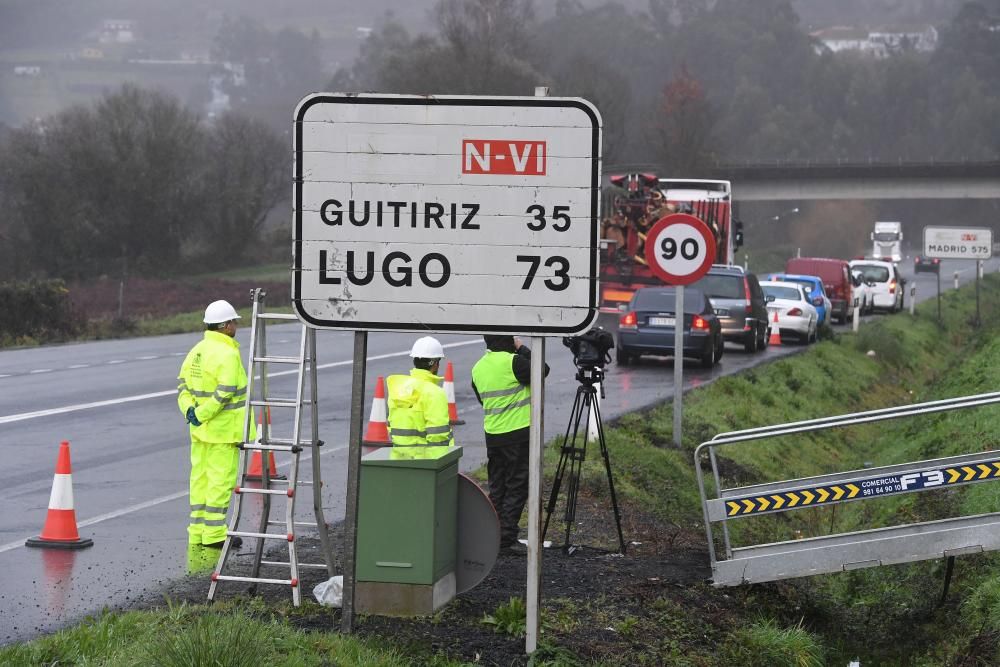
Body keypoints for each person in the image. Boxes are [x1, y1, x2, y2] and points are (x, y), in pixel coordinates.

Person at [176, 300, 254, 549]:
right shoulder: (228, 353)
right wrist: (203, 414)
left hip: (200, 431)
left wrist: (190, 412)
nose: (236, 326)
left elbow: (183, 387)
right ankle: (215, 535)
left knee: (200, 479)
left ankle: (198, 531)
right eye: (234, 322)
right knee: (221, 482)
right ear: (226, 325)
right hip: (223, 431)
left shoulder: (196, 351)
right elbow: (226, 392)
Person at [471, 335, 548, 553]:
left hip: (493, 435)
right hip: (517, 435)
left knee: (497, 487)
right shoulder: (513, 362)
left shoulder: (478, 367)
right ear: (509, 342)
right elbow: (542, 370)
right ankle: (506, 538)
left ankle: (493, 535)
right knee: (517, 486)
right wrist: (522, 347)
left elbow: (481, 398)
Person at [385, 336, 454, 459]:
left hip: (399, 459)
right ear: (435, 363)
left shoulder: (399, 388)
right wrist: (438, 466)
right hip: (425, 463)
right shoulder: (434, 392)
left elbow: (391, 425)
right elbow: (438, 436)